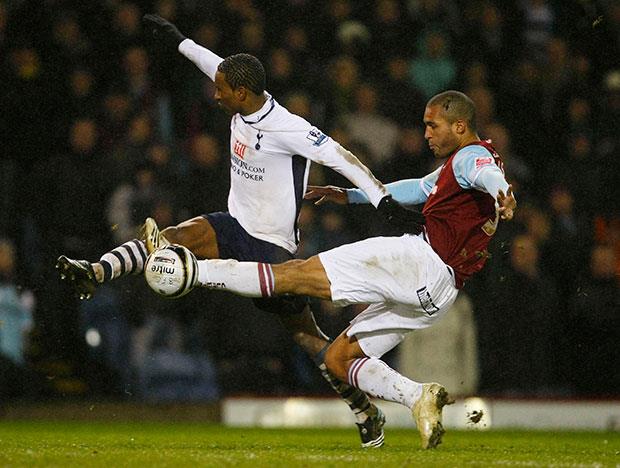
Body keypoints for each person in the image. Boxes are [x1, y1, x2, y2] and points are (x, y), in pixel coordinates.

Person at [56, 13, 424, 448]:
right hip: (232, 226)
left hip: (271, 250)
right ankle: (96, 272)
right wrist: (179, 40)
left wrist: (383, 200)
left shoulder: (288, 126)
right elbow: (209, 61)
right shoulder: (239, 90)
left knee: (309, 339)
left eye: (221, 90)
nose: (215, 94)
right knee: (174, 234)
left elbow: (342, 157)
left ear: (242, 93)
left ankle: (365, 409)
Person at [175, 90, 517, 448]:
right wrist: (352, 194)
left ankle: (194, 272)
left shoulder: (472, 157)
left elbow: (487, 175)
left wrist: (503, 193)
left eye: (433, 126)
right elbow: (419, 188)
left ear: (459, 126)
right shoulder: (460, 163)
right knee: (339, 360)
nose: (426, 134)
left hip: (420, 262)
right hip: (440, 292)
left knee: (294, 275)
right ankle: (417, 396)